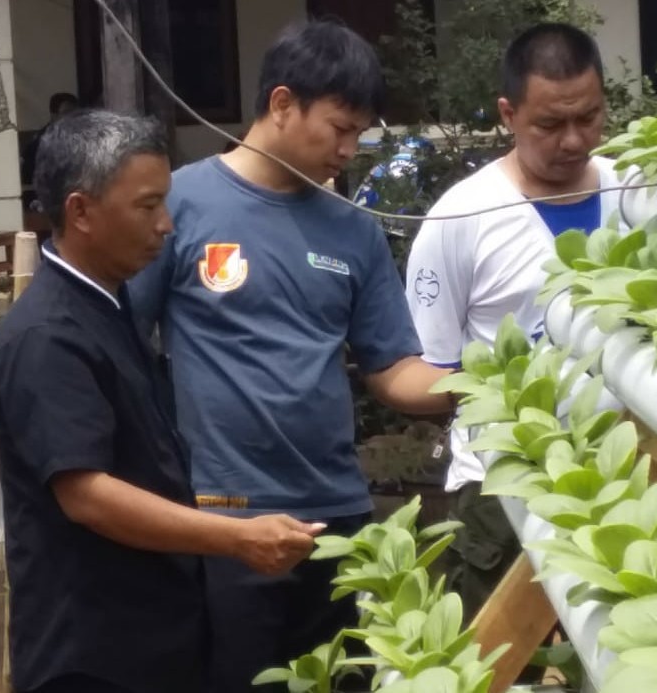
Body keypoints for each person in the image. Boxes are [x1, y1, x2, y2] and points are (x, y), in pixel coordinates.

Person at [128, 20, 452, 693]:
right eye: (338, 127)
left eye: (359, 131)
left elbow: (394, 369)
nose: (349, 147)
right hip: (224, 517)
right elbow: (122, 344)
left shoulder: (353, 229)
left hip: (337, 520)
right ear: (280, 105)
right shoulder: (181, 205)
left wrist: (486, 384)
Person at [0, 110, 324, 693]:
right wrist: (238, 537)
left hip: (150, 642)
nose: (167, 225)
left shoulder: (108, 309)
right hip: (91, 656)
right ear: (81, 211)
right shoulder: (47, 336)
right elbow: (87, 495)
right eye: (147, 206)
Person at [404, 23, 631, 630]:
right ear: (508, 113)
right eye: (550, 125)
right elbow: (434, 365)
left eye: (589, 118)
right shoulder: (460, 218)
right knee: (498, 661)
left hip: (622, 475)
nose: (574, 139)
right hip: (500, 488)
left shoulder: (635, 194)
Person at [21, 91, 79, 208]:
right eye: (66, 113)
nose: (71, 118)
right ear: (53, 115)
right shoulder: (42, 141)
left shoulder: (78, 137)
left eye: (75, 113)